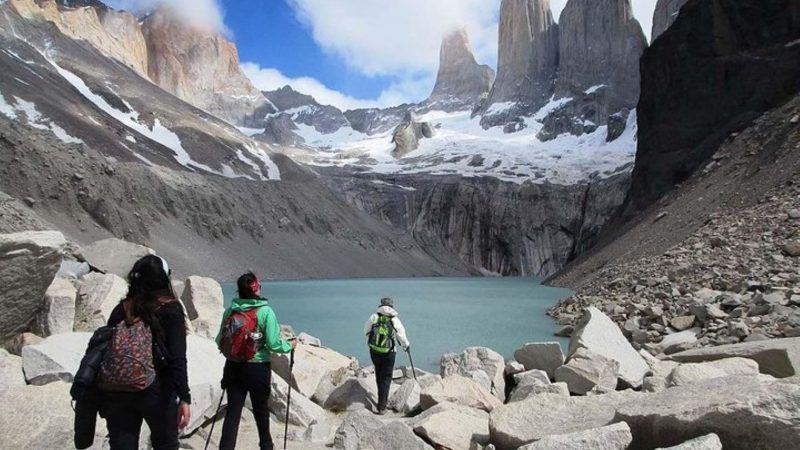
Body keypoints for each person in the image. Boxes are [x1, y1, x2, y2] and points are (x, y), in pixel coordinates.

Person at [100, 255, 191, 450]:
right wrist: (184, 397)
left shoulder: (122, 309)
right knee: (165, 445)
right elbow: (177, 358)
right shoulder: (171, 309)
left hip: (117, 389)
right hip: (158, 391)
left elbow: (104, 347)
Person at [216, 272, 297, 450]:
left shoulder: (230, 311)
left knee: (233, 413)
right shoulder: (265, 311)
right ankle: (266, 446)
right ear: (255, 289)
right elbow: (274, 344)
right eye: (259, 286)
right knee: (261, 411)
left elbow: (218, 340)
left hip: (233, 367)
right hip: (258, 369)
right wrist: (290, 346)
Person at [363, 297, 410, 415]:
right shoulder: (394, 319)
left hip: (374, 351)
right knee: (386, 378)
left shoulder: (374, 317)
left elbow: (365, 331)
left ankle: (380, 402)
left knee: (379, 375)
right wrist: (406, 346)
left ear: (381, 305)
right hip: (389, 352)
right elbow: (401, 336)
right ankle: (382, 407)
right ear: (392, 306)